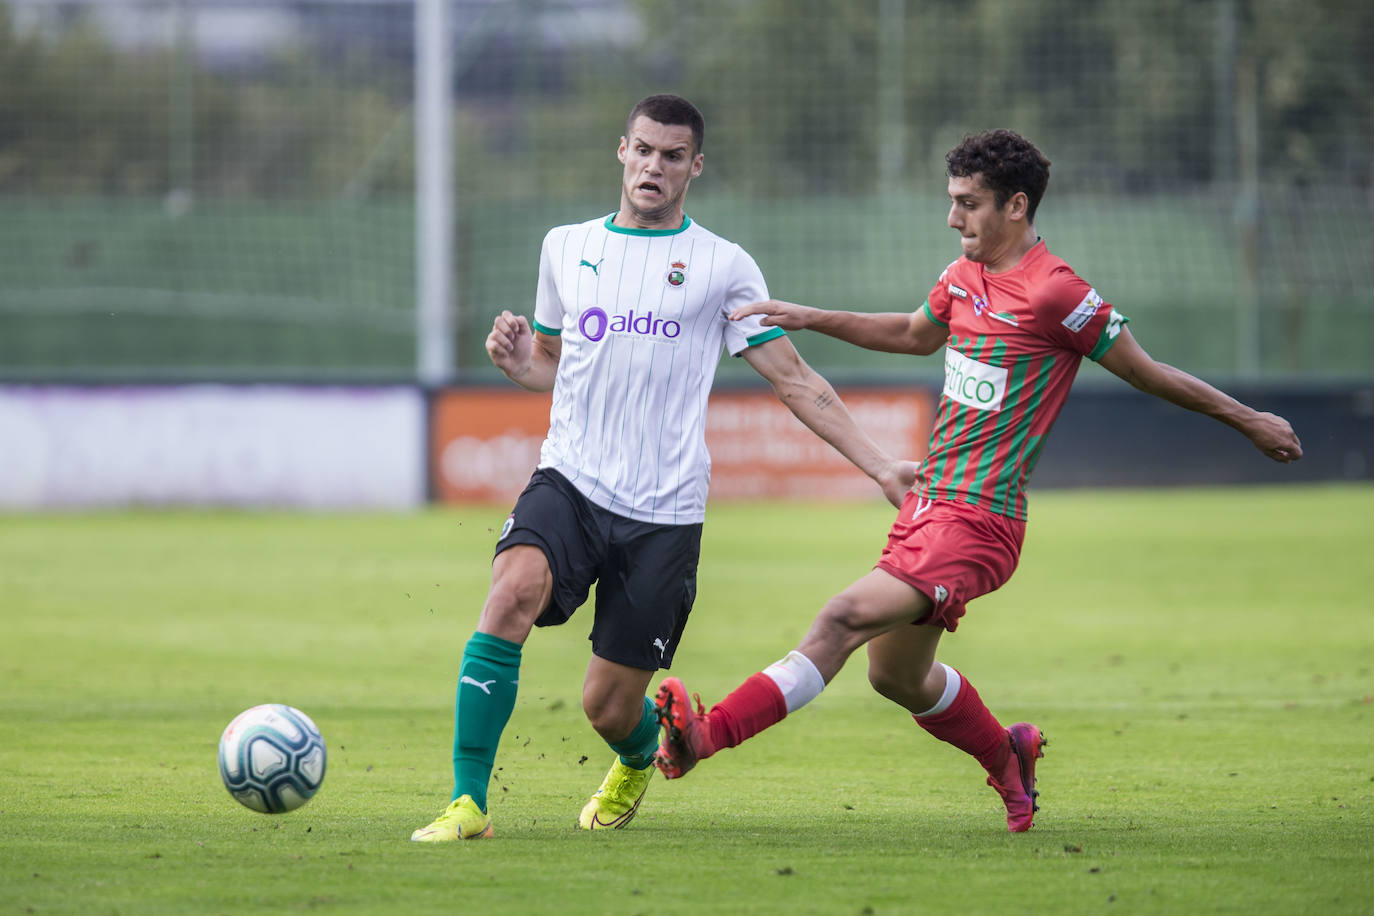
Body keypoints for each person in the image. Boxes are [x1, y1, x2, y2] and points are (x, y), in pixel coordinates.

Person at [652, 128, 1303, 832]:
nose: (953, 217)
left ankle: (706, 735)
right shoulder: (962, 278)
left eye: (968, 203)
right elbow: (909, 333)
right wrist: (811, 317)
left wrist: (1249, 419)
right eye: (952, 200)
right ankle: (1008, 756)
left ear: (1016, 206)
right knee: (894, 676)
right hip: (927, 505)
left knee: (840, 619)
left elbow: (1149, 372)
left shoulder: (1058, 294)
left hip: (981, 521)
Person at [410, 94, 914, 842]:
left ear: (695, 166)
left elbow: (796, 379)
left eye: (672, 155)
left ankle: (641, 753)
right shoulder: (566, 246)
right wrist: (521, 362)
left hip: (664, 512)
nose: (655, 166)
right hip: (571, 481)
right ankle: (468, 803)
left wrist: (879, 467)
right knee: (511, 590)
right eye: (644, 150)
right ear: (622, 151)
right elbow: (550, 363)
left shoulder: (723, 266)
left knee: (607, 709)